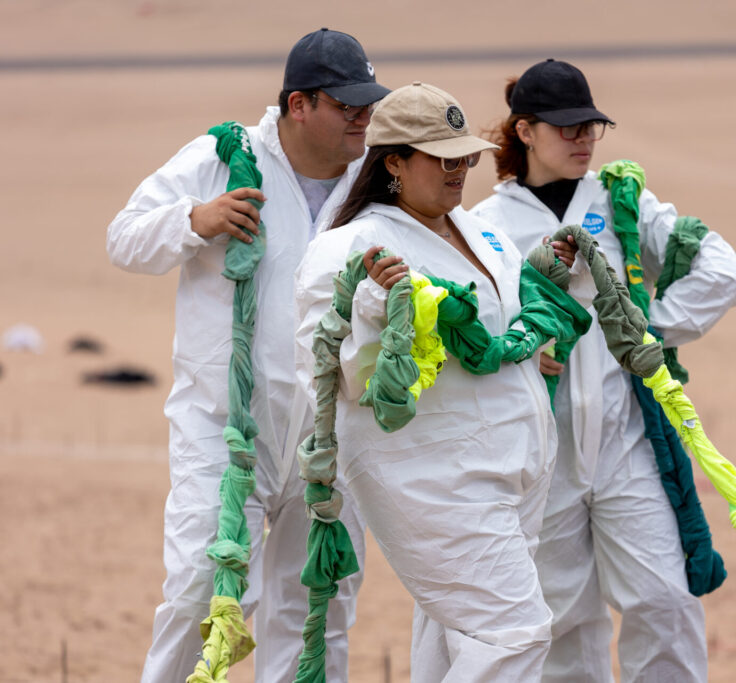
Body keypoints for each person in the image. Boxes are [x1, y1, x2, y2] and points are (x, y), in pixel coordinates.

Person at [106, 28, 389, 683]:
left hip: (333, 436)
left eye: (368, 104)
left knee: (319, 608)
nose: (362, 117)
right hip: (226, 430)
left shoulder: (376, 179)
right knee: (201, 589)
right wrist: (193, 220)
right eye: (347, 105)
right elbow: (123, 238)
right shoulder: (225, 155)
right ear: (299, 105)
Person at [294, 81, 588, 682]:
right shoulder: (351, 248)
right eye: (443, 156)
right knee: (513, 634)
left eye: (466, 155)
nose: (460, 169)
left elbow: (499, 324)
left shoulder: (481, 232)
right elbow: (330, 368)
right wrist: (382, 307)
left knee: (459, 629)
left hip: (514, 470)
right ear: (394, 162)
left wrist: (533, 335)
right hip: (432, 477)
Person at [471, 59, 736, 682]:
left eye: (591, 126)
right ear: (525, 131)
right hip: (543, 452)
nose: (582, 139)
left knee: (665, 601)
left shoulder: (623, 203)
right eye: (566, 127)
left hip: (628, 441)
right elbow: (476, 335)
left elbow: (723, 272)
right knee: (565, 623)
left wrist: (647, 330)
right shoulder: (488, 226)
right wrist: (522, 352)